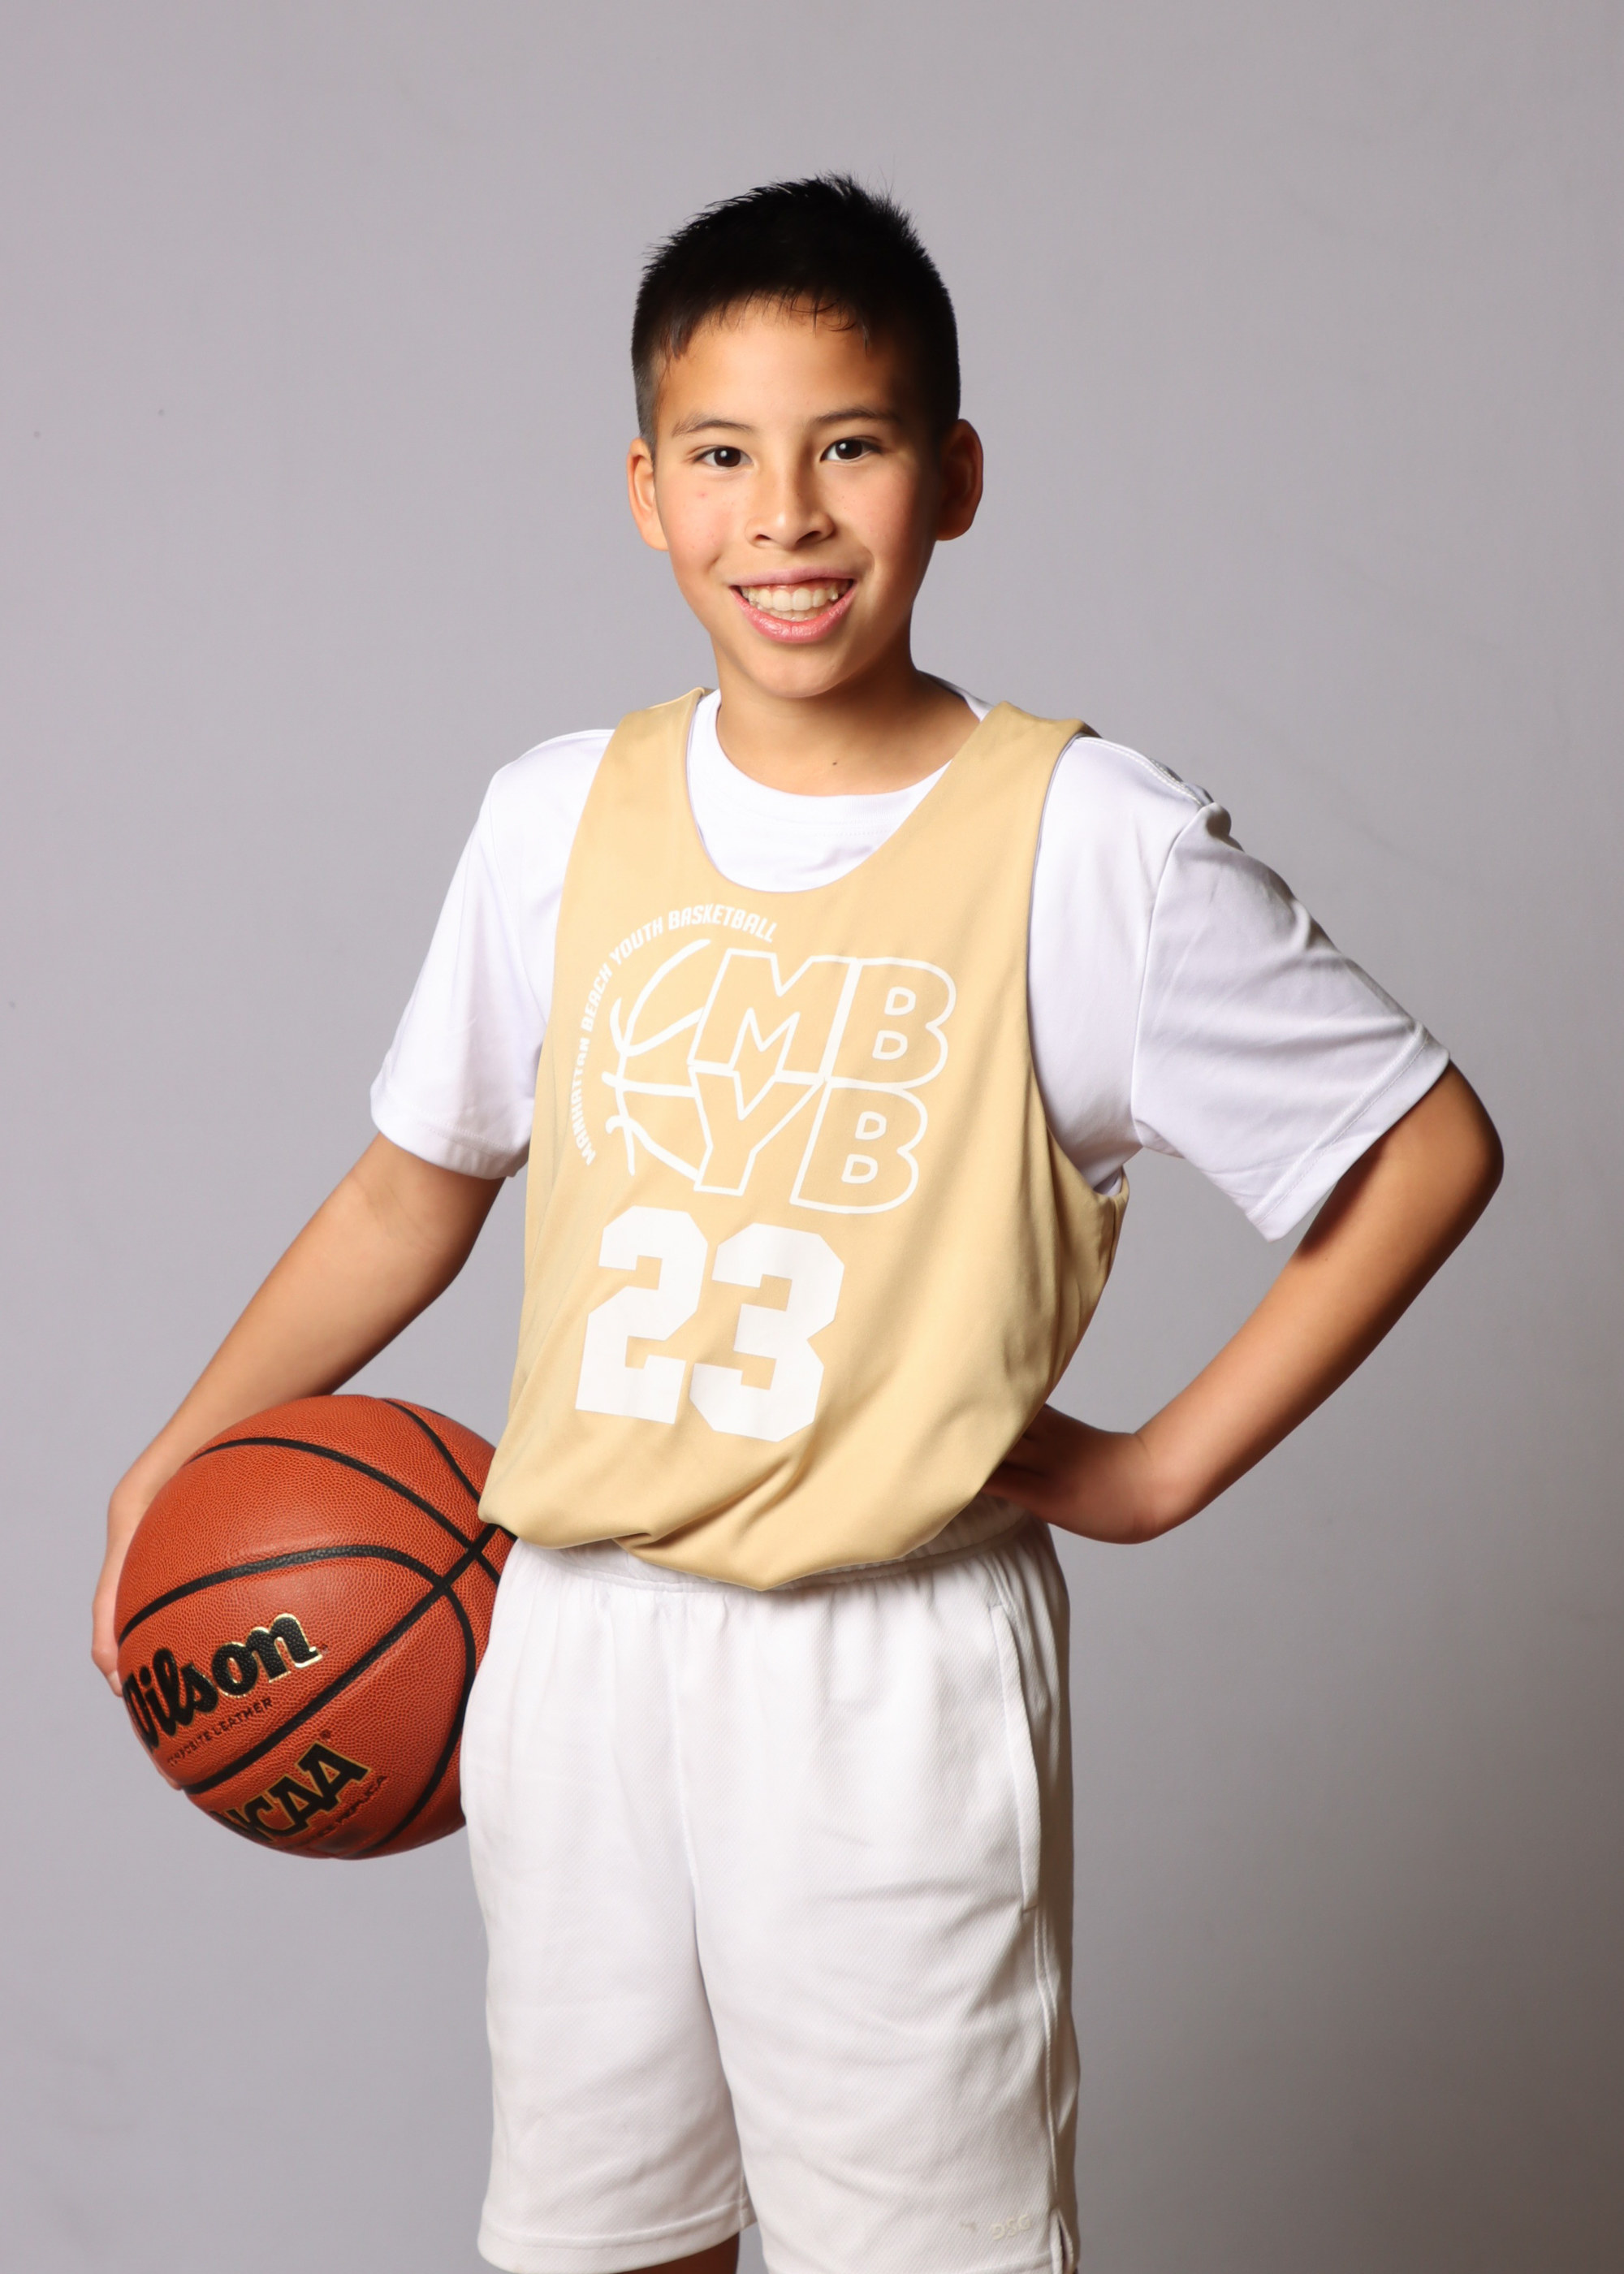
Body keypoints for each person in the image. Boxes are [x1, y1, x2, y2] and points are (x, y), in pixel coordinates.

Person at [93, 176, 1501, 2274]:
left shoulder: (1085, 845)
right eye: (723, 456)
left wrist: (1158, 1471)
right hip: (571, 1631)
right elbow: (409, 1193)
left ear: (955, 478)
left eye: (850, 446)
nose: (787, 516)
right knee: (600, 2240)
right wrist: (183, 1451)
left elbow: (1424, 1148)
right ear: (643, 491)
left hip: (884, 1662)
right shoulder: (556, 816)